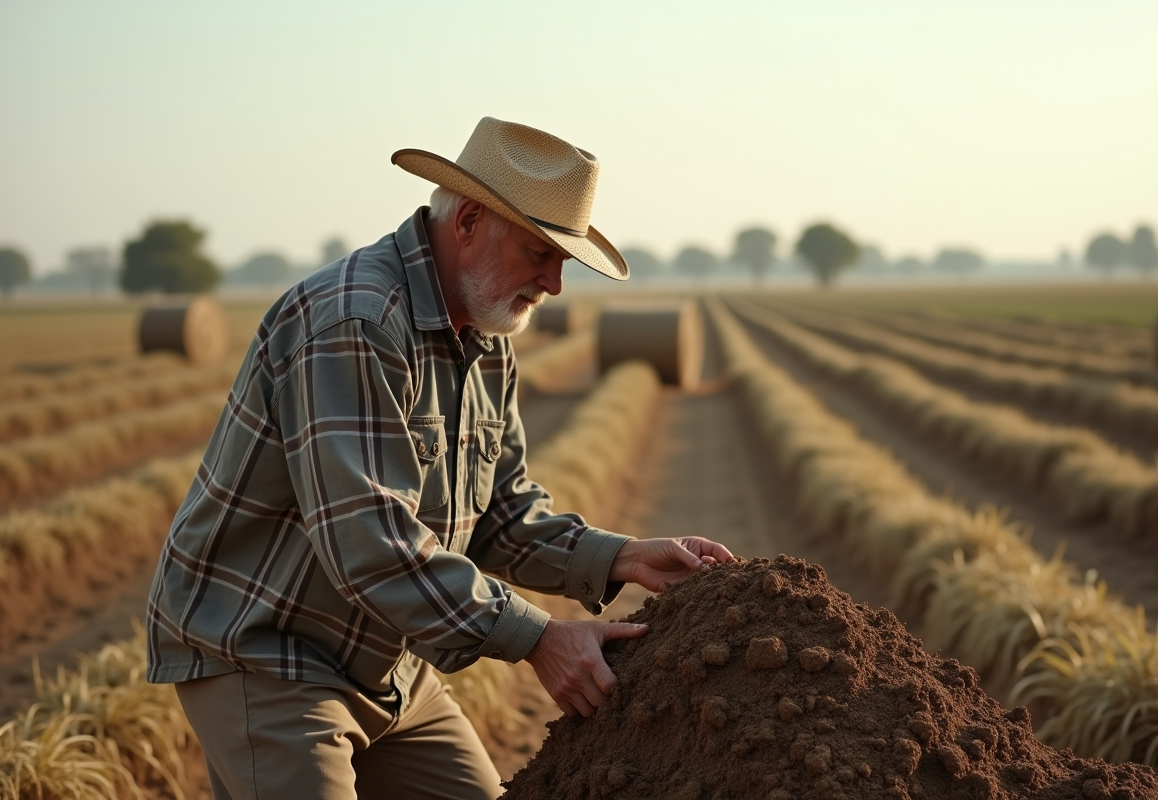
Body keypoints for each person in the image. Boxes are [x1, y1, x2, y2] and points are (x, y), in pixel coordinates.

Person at [145, 116, 733, 800]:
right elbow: (367, 540)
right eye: (540, 252)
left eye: (563, 261)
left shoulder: (485, 335)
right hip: (267, 652)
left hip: (387, 661)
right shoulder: (356, 321)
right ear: (469, 222)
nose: (554, 284)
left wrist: (623, 556)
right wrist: (539, 638)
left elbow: (501, 511)